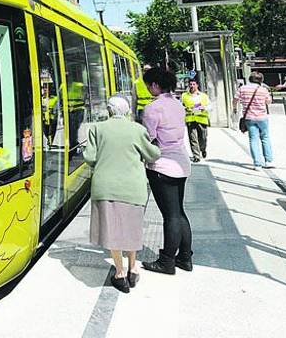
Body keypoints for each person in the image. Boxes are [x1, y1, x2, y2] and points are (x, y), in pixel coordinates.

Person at [84, 95, 160, 293]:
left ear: (109, 110)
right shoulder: (137, 130)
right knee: (131, 228)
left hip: (105, 186)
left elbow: (90, 157)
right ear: (127, 111)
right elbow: (152, 154)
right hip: (133, 187)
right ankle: (133, 269)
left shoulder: (97, 129)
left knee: (112, 230)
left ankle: (119, 273)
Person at [141, 67, 193, 275]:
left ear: (155, 85)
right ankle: (185, 258)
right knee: (179, 212)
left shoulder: (152, 108)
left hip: (162, 166)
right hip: (181, 163)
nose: (148, 89)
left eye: (148, 85)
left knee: (170, 216)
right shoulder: (178, 104)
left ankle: (167, 261)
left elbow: (148, 137)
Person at [234, 71, 273, 170]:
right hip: (262, 117)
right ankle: (268, 161)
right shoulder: (263, 89)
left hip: (249, 117)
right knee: (265, 137)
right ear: (261, 80)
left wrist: (234, 108)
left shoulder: (242, 88)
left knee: (253, 139)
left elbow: (235, 99)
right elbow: (268, 101)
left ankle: (257, 164)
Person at [181, 79, 210, 162]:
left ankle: (203, 149)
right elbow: (180, 105)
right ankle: (196, 156)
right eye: (190, 84)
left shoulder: (203, 96)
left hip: (202, 120)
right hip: (190, 120)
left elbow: (210, 106)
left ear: (197, 85)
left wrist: (204, 108)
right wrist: (185, 108)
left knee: (203, 138)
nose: (192, 86)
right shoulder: (184, 96)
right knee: (193, 138)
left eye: (194, 84)